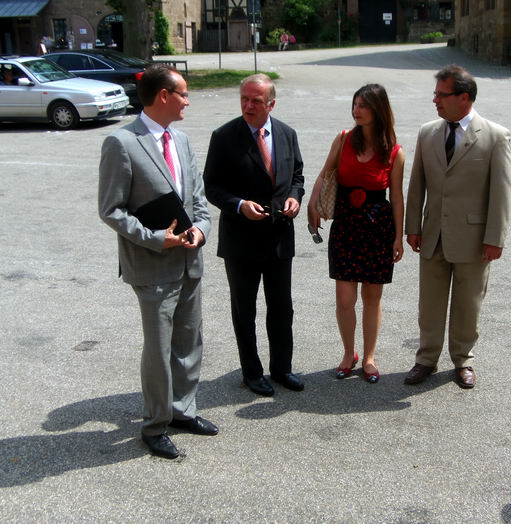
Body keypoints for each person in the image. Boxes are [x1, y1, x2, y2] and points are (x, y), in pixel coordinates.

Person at [98, 64, 217, 459]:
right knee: (159, 350)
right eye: (183, 93)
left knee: (189, 342)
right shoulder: (122, 143)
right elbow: (110, 210)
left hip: (189, 260)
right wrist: (154, 239)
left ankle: (183, 411)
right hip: (152, 266)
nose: (187, 100)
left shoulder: (181, 140)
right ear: (163, 96)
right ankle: (154, 425)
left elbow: (198, 198)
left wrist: (201, 229)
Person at [404, 64, 511, 389]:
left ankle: (463, 360)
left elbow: (502, 192)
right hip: (433, 234)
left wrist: (495, 237)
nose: (435, 100)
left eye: (442, 95)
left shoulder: (495, 136)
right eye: (435, 94)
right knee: (430, 304)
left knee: (468, 304)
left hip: (474, 238)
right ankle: (426, 359)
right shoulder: (427, 133)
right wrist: (413, 226)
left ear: (464, 97)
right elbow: (417, 184)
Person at [204, 74, 305, 397]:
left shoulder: (287, 134)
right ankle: (252, 372)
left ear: (271, 104)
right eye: (244, 99)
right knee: (244, 310)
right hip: (240, 241)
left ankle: (282, 368)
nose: (248, 105)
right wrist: (238, 205)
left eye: (256, 101)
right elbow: (212, 186)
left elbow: (298, 176)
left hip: (278, 238)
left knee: (281, 308)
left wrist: (295, 197)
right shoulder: (224, 136)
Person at [308, 84, 405, 384]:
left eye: (363, 105)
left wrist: (398, 237)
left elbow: (397, 197)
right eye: (355, 103)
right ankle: (348, 353)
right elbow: (325, 173)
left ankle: (369, 357)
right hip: (347, 226)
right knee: (344, 297)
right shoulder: (343, 139)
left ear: (378, 109)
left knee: (372, 297)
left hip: (378, 228)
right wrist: (312, 204)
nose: (356, 109)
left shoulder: (395, 152)